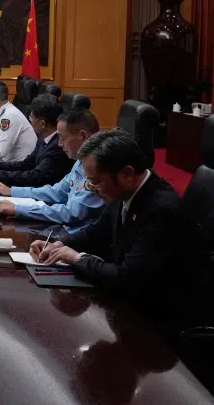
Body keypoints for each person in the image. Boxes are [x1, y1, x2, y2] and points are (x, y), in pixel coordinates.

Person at [31, 129, 212, 330]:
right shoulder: (124, 191)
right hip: (135, 302)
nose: (91, 188)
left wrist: (77, 258)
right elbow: (96, 232)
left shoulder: (161, 210)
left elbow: (126, 278)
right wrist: (61, 243)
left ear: (126, 174)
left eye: (95, 182)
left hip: (163, 321)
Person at [0, 108, 104, 229]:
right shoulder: (80, 161)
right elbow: (57, 192)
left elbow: (71, 213)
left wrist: (20, 209)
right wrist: (12, 191)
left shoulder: (99, 166)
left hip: (79, 238)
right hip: (64, 230)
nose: (59, 144)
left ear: (82, 136)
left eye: (62, 138)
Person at [0, 94, 71, 187]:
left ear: (42, 124)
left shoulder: (58, 146)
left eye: (31, 117)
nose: (29, 120)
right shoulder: (44, 137)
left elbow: (36, 177)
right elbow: (26, 164)